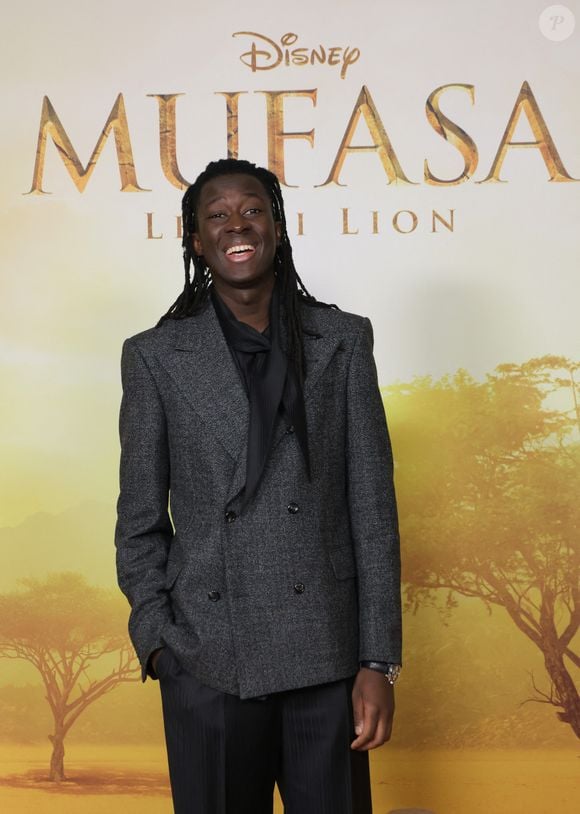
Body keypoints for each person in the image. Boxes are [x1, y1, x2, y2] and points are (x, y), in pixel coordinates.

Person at [114, 158, 402, 814]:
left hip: (326, 660)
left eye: (251, 210)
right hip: (209, 659)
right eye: (216, 215)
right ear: (195, 240)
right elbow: (138, 519)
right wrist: (161, 644)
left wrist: (378, 661)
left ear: (277, 225)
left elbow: (373, 512)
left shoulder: (344, 341)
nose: (235, 224)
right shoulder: (155, 357)